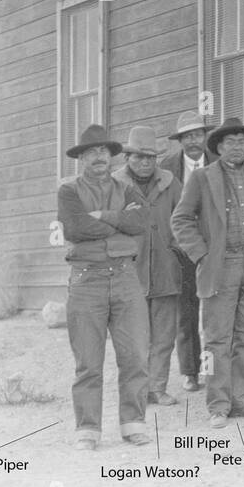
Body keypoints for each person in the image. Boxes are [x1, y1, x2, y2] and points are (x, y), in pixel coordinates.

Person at [171, 117, 244, 429]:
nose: (236, 147)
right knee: (216, 340)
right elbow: (181, 220)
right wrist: (202, 255)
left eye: (241, 142)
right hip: (220, 267)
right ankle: (218, 405)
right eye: (229, 142)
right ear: (219, 147)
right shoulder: (202, 178)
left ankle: (243, 400)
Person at [57, 125, 149, 449]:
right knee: (88, 361)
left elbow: (141, 223)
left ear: (111, 156)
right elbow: (76, 227)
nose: (99, 157)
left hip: (126, 278)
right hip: (87, 280)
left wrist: (103, 214)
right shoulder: (68, 191)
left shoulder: (126, 188)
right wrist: (118, 221)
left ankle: (133, 424)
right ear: (81, 158)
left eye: (103, 151)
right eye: (91, 152)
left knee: (136, 355)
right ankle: (87, 430)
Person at [113, 126, 184, 406]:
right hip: (130, 272)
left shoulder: (170, 182)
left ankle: (157, 388)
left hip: (167, 270)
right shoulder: (115, 185)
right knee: (134, 338)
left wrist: (177, 249)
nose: (145, 163)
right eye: (139, 157)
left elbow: (185, 217)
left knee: (165, 336)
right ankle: (137, 391)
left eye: (150, 158)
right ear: (128, 158)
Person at [159, 112, 216, 393]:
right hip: (181, 251)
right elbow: (165, 211)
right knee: (186, 312)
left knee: (218, 312)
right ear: (180, 141)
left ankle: (217, 370)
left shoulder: (219, 162)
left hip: (215, 250)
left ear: (205, 136)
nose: (193, 141)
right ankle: (191, 371)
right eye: (187, 137)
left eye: (197, 135)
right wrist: (176, 243)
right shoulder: (167, 169)